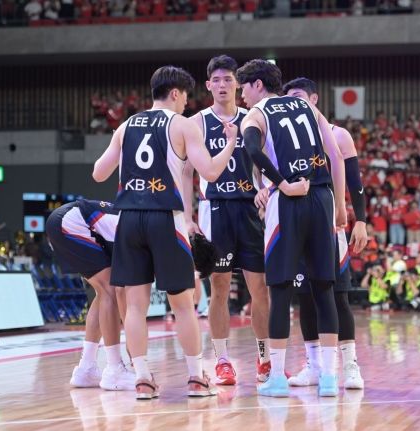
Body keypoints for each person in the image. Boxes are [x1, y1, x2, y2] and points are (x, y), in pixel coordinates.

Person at [93, 65, 237, 400]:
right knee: (183, 304)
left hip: (128, 219)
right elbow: (212, 173)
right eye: (186, 96)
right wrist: (230, 143)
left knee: (135, 307)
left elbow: (99, 173)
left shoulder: (126, 125)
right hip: (165, 218)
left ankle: (142, 378)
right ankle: (196, 378)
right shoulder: (182, 124)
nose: (187, 103)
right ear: (175, 93)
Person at [237, 59, 347, 397]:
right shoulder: (307, 107)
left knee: (281, 290)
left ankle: (278, 379)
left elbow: (253, 150)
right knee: (324, 288)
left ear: (257, 85)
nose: (241, 95)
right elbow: (336, 155)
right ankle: (328, 378)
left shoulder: (256, 115)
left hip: (289, 202)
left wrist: (281, 183)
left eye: (244, 87)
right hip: (322, 197)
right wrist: (340, 206)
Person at [181, 55, 271, 385]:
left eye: (228, 79)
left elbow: (267, 164)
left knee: (259, 290)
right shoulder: (198, 122)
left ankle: (265, 358)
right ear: (208, 85)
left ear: (238, 83)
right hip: (214, 209)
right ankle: (221, 360)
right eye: (216, 80)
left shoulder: (254, 118)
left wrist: (267, 189)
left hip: (250, 209)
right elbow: (186, 171)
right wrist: (188, 217)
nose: (222, 85)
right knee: (218, 288)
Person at [274, 77, 368, 390]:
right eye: (289, 98)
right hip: (295, 221)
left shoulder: (338, 135)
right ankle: (314, 365)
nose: (293, 102)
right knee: (304, 297)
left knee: (337, 295)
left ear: (314, 99)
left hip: (330, 223)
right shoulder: (283, 135)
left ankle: (350, 365)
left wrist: (361, 220)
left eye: (299, 96)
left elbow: (354, 180)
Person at [45, 199, 133, 391]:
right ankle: (114, 369)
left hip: (64, 219)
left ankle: (86, 368)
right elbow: (122, 292)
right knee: (110, 288)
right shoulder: (136, 231)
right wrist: (134, 346)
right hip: (70, 221)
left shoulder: (133, 223)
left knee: (103, 292)